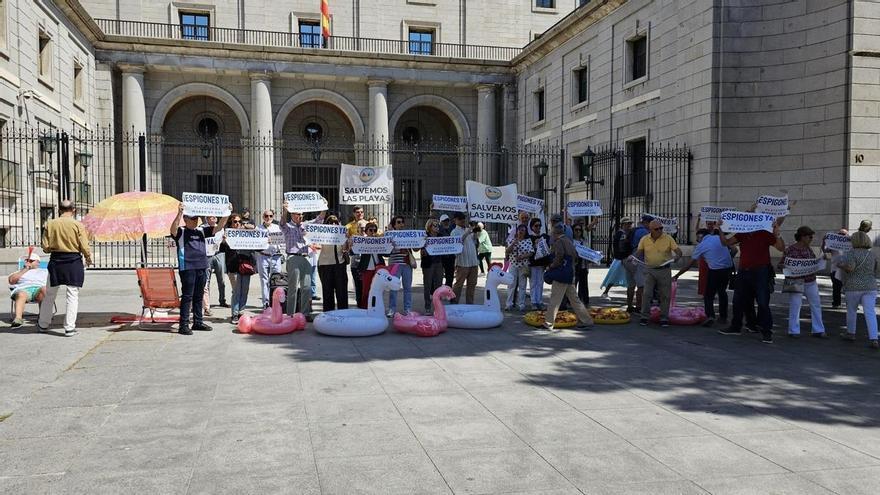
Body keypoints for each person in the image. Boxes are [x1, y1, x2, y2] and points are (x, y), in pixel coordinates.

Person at [719, 218, 785, 343]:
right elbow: (725, 243)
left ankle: (766, 331)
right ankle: (736, 326)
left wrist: (778, 233)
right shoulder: (742, 233)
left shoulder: (764, 233)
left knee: (762, 301)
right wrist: (720, 229)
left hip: (761, 271)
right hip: (744, 271)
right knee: (738, 300)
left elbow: (781, 248)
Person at [170, 202, 230, 335]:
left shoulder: (202, 230)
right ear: (185, 219)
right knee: (187, 296)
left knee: (199, 295)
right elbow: (172, 230)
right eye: (192, 218)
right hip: (188, 267)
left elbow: (218, 227)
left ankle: (198, 321)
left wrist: (226, 214)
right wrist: (179, 213)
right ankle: (183, 325)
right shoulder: (181, 231)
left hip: (202, 266)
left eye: (196, 218)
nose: (195, 220)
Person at [38, 201, 93, 337]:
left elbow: (45, 246)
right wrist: (88, 258)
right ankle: (69, 328)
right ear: (73, 210)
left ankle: (43, 324)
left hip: (56, 260)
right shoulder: (77, 225)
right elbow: (84, 246)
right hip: (73, 260)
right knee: (72, 294)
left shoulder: (50, 224)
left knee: (50, 294)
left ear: (59, 210)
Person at [673, 228, 733, 326]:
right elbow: (733, 249)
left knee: (708, 295)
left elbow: (689, 264)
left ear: (701, 236)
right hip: (727, 268)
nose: (697, 241)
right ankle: (723, 317)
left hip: (715, 270)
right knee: (722, 292)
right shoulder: (718, 238)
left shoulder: (701, 246)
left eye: (697, 239)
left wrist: (677, 275)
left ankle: (710, 316)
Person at [543, 224, 594, 330]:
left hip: (561, 275)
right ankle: (586, 320)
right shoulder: (568, 241)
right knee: (575, 299)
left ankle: (548, 323)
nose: (551, 234)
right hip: (569, 273)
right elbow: (575, 255)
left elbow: (559, 256)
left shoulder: (559, 242)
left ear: (555, 233)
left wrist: (551, 266)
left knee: (555, 299)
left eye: (552, 232)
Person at [778, 226, 826, 338]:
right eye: (810, 237)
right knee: (795, 305)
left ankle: (818, 329)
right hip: (796, 282)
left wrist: (820, 261)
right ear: (802, 237)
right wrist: (784, 266)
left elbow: (813, 262)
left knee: (816, 304)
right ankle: (794, 330)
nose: (811, 239)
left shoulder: (809, 250)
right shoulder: (790, 250)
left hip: (810, 281)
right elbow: (780, 264)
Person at [633, 220, 682, 327]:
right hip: (649, 269)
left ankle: (664, 318)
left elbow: (678, 251)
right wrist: (633, 257)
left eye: (661, 228)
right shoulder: (645, 239)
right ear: (650, 230)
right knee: (647, 293)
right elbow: (639, 252)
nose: (660, 230)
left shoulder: (668, 238)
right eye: (657, 229)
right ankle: (644, 316)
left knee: (665, 295)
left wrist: (677, 256)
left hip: (664, 270)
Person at [280, 201, 325, 317]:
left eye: (301, 214)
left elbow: (319, 220)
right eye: (297, 214)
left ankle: (305, 313)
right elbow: (282, 224)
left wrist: (324, 207)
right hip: (293, 257)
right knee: (293, 288)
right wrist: (285, 210)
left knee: (306, 287)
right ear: (292, 214)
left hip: (306, 257)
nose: (300, 216)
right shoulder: (288, 226)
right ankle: (290, 314)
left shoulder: (305, 225)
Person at [837, 231, 880, 349]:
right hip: (870, 286)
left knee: (852, 310)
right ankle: (874, 338)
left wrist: (841, 265)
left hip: (853, 286)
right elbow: (876, 269)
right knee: (870, 312)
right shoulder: (872, 254)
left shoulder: (851, 253)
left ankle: (851, 333)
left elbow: (850, 268)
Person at [220, 213, 255, 324]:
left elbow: (256, 245)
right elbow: (221, 249)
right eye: (235, 222)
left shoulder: (246, 234)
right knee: (236, 291)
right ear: (231, 223)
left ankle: (241, 311)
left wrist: (264, 241)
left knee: (244, 291)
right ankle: (234, 314)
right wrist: (224, 241)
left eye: (239, 222)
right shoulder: (227, 234)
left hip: (246, 265)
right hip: (234, 266)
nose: (238, 224)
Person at [316, 215, 350, 311]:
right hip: (325, 265)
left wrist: (347, 239)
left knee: (341, 292)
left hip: (340, 264)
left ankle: (343, 314)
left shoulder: (342, 234)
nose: (333, 225)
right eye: (331, 223)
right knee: (327, 292)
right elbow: (316, 244)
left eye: (336, 223)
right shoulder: (321, 234)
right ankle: (328, 314)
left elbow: (346, 249)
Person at [387, 215, 417, 315]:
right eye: (398, 222)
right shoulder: (390, 235)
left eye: (402, 222)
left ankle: (407, 309)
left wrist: (422, 240)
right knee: (393, 287)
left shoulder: (408, 235)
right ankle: (392, 309)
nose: (400, 224)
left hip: (407, 264)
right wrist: (388, 237)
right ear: (394, 225)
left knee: (407, 288)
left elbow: (416, 249)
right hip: (395, 264)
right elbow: (386, 250)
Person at [8, 253, 48, 328]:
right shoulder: (19, 271)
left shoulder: (45, 271)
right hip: (24, 289)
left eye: (31, 261)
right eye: (27, 260)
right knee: (21, 294)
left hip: (39, 289)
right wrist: (25, 269)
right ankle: (18, 319)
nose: (28, 262)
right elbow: (11, 281)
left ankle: (42, 317)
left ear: (38, 262)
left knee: (44, 289)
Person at [255, 209, 283, 309]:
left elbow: (282, 241)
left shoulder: (277, 227)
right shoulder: (258, 228)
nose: (268, 218)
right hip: (263, 256)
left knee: (277, 280)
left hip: (275, 256)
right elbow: (256, 242)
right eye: (266, 216)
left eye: (270, 216)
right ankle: (266, 303)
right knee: (264, 280)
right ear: (263, 217)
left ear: (273, 216)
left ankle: (276, 302)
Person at [601, 217, 634, 304]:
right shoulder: (621, 234)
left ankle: (606, 292)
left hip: (621, 258)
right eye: (627, 224)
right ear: (623, 225)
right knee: (613, 276)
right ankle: (605, 292)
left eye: (630, 224)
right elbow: (620, 247)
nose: (629, 225)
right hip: (621, 259)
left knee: (622, 277)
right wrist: (622, 257)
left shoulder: (625, 233)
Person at [624, 215, 652, 313]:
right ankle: (639, 306)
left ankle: (629, 306)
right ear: (646, 222)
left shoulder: (634, 230)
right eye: (650, 223)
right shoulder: (645, 232)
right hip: (638, 260)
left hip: (628, 259)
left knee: (631, 285)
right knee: (641, 285)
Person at [201, 215, 228, 316]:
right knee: (206, 281)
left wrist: (225, 239)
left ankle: (222, 300)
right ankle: (207, 306)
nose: (212, 219)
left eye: (214, 217)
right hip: (207, 256)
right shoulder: (203, 228)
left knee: (221, 280)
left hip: (218, 254)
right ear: (207, 219)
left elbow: (223, 242)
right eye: (210, 217)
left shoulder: (220, 228)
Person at [451, 212, 479, 304]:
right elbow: (457, 243)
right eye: (460, 218)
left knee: (472, 285)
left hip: (473, 262)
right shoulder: (454, 232)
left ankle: (470, 304)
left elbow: (475, 242)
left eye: (463, 218)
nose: (462, 220)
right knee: (458, 285)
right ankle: (454, 303)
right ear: (455, 220)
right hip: (463, 263)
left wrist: (475, 233)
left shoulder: (468, 229)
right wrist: (467, 233)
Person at [505, 224, 534, 312]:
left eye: (523, 230)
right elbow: (507, 251)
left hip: (523, 266)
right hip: (513, 264)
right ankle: (509, 304)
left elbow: (531, 252)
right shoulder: (511, 240)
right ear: (517, 231)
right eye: (519, 230)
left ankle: (521, 304)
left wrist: (522, 256)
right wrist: (513, 244)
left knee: (522, 285)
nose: (521, 232)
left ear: (525, 232)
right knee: (511, 285)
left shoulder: (528, 241)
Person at [356, 222, 385, 309]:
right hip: (367, 269)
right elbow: (353, 252)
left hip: (378, 269)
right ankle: (364, 309)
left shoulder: (379, 241)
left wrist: (390, 245)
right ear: (366, 231)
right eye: (371, 230)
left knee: (378, 291)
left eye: (375, 230)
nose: (373, 232)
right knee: (366, 290)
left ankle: (375, 308)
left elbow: (387, 254)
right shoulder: (362, 241)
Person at [420, 219, 445, 315]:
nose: (437, 227)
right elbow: (420, 250)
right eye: (435, 225)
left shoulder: (440, 237)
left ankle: (437, 307)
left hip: (439, 263)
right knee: (427, 285)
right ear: (429, 227)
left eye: (438, 225)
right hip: (428, 264)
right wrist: (424, 248)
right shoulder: (425, 237)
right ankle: (427, 307)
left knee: (438, 285)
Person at [572, 219, 598, 307]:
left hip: (584, 265)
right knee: (573, 284)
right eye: (576, 230)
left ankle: (584, 301)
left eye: (580, 230)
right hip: (575, 265)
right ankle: (572, 301)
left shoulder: (584, 240)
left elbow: (588, 252)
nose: (578, 232)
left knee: (584, 285)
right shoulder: (571, 241)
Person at [528, 217, 551, 310]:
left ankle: (540, 301)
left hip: (542, 263)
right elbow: (528, 250)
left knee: (540, 283)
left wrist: (548, 263)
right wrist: (534, 245)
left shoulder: (544, 236)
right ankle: (533, 301)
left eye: (539, 225)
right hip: (533, 263)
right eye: (536, 226)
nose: (538, 227)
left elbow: (548, 249)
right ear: (532, 227)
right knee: (533, 283)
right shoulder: (529, 237)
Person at [821, 228, 848, 309]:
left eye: (843, 234)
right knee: (836, 288)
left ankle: (851, 304)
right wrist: (824, 241)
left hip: (847, 269)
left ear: (847, 235)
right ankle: (836, 303)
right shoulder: (833, 244)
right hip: (835, 269)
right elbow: (825, 251)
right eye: (840, 234)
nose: (841, 236)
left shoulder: (850, 244)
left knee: (850, 288)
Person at [350, 219, 368, 308]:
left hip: (367, 265)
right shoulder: (353, 238)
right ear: (358, 229)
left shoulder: (371, 239)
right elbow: (350, 252)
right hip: (355, 265)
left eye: (364, 228)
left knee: (366, 286)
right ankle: (359, 305)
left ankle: (365, 305)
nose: (363, 229)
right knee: (358, 286)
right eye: (361, 228)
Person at [438, 214, 456, 286]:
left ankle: (448, 289)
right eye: (444, 221)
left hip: (450, 256)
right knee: (438, 275)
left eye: (447, 220)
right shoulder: (438, 230)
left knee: (450, 275)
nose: (446, 222)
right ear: (441, 222)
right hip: (441, 257)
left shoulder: (452, 229)